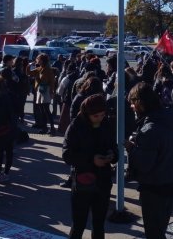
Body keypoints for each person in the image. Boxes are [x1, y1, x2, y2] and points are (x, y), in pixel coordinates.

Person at [126, 82, 173, 239]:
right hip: (171, 183)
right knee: (159, 231)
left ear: (140, 103)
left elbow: (144, 164)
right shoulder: (171, 121)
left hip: (155, 188)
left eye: (132, 103)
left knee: (154, 233)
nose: (131, 107)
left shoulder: (150, 129)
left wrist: (131, 148)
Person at [62, 94, 117, 239]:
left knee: (99, 224)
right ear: (87, 114)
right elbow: (67, 155)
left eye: (103, 115)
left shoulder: (106, 123)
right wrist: (91, 160)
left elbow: (113, 146)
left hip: (103, 181)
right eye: (96, 116)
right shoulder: (75, 126)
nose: (100, 118)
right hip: (82, 181)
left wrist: (113, 155)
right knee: (78, 224)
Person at [28, 53, 57, 135]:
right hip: (40, 90)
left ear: (42, 60)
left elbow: (52, 82)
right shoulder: (39, 68)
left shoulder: (48, 69)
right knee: (42, 110)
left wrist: (52, 92)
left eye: (38, 59)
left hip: (46, 90)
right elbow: (29, 73)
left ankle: (52, 128)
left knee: (46, 110)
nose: (37, 60)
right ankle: (44, 128)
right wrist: (29, 65)